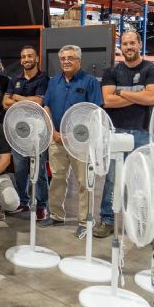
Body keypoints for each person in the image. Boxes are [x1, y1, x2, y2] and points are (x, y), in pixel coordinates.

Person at [94, 30, 154, 238]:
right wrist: (139, 95)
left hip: (143, 132)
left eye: (132, 43)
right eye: (125, 44)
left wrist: (122, 92)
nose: (129, 47)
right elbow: (107, 101)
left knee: (143, 180)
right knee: (113, 179)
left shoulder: (152, 70)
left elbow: (152, 97)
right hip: (117, 132)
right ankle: (107, 219)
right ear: (120, 47)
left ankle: (144, 223)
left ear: (139, 44)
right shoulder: (111, 72)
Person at [41, 45, 103, 239]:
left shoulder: (90, 82)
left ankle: (85, 222)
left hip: (80, 142)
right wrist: (53, 131)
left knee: (84, 182)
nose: (66, 61)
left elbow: (94, 112)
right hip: (56, 139)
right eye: (63, 58)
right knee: (58, 177)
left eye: (70, 58)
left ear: (79, 60)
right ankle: (56, 214)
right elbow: (47, 106)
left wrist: (72, 134)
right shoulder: (53, 82)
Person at [2, 45, 50, 217]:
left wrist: (17, 98)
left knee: (40, 170)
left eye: (30, 56)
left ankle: (41, 205)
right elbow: (4, 102)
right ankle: (23, 202)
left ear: (36, 59)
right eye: (23, 56)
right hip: (19, 132)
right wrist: (24, 101)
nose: (26, 59)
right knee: (20, 170)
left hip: (38, 133)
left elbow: (38, 102)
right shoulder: (14, 79)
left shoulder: (44, 79)